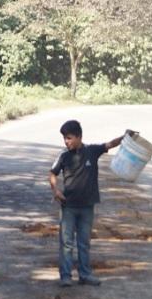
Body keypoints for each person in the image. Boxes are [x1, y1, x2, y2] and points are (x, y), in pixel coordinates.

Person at [48, 120, 134, 287]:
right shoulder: (63, 156)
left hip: (87, 206)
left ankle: (85, 275)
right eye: (65, 138)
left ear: (79, 137)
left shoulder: (92, 151)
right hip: (69, 207)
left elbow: (110, 144)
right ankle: (66, 277)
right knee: (66, 243)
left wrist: (125, 137)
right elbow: (52, 173)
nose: (66, 142)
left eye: (69, 138)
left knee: (84, 242)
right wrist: (56, 190)